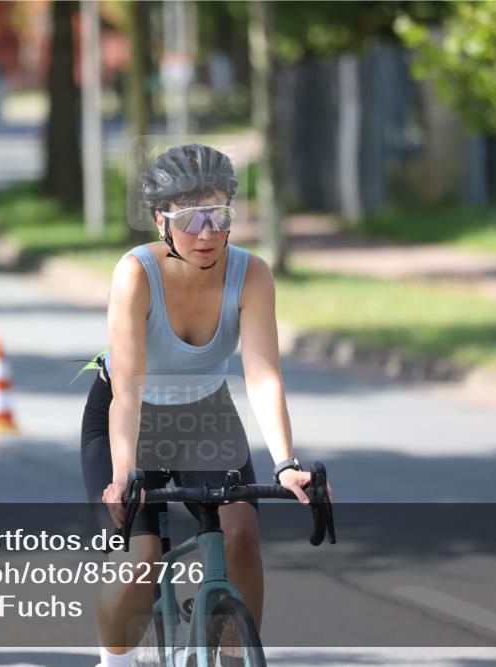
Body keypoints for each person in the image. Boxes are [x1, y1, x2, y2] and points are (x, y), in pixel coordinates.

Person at [80, 144, 330, 666]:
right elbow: (127, 387)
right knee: (142, 561)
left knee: (240, 536)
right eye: (191, 218)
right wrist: (124, 474)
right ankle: (115, 661)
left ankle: (235, 659)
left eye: (220, 216)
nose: (207, 232)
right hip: (130, 415)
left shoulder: (251, 274)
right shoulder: (136, 273)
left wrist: (286, 462)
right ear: (160, 221)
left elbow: (261, 374)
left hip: (205, 414)